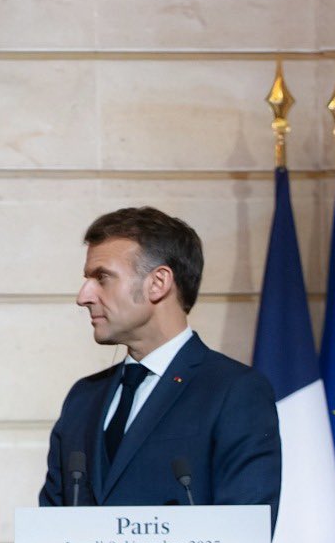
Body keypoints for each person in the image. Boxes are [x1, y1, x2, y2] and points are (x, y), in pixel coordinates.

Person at [39, 206, 281, 518]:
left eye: (102, 278)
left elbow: (244, 530)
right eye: (88, 279)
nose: (83, 296)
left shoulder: (234, 391)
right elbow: (51, 528)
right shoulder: (83, 398)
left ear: (158, 282)